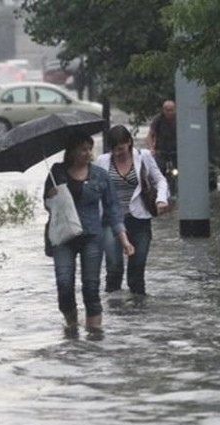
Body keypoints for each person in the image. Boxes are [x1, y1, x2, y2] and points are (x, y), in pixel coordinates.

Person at [44, 133, 134, 337]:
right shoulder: (56, 172)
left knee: (91, 286)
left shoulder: (100, 175)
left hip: (92, 236)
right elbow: (47, 205)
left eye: (89, 148)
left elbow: (113, 209)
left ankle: (94, 337)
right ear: (73, 151)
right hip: (63, 237)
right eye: (83, 149)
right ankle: (72, 326)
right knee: (64, 283)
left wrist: (124, 240)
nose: (88, 153)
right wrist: (52, 197)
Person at [95, 125, 169, 296]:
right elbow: (95, 189)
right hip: (111, 221)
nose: (118, 153)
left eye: (120, 148)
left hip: (139, 220)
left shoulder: (143, 157)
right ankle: (114, 310)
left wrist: (161, 200)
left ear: (129, 142)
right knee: (114, 267)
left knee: (137, 268)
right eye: (114, 149)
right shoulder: (102, 161)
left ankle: (138, 312)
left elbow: (160, 180)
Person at [145, 100, 177, 173]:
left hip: (176, 151)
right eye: (167, 110)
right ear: (163, 110)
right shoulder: (158, 119)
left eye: (171, 110)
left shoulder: (180, 119)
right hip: (161, 151)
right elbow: (150, 136)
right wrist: (151, 149)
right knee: (158, 170)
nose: (169, 112)